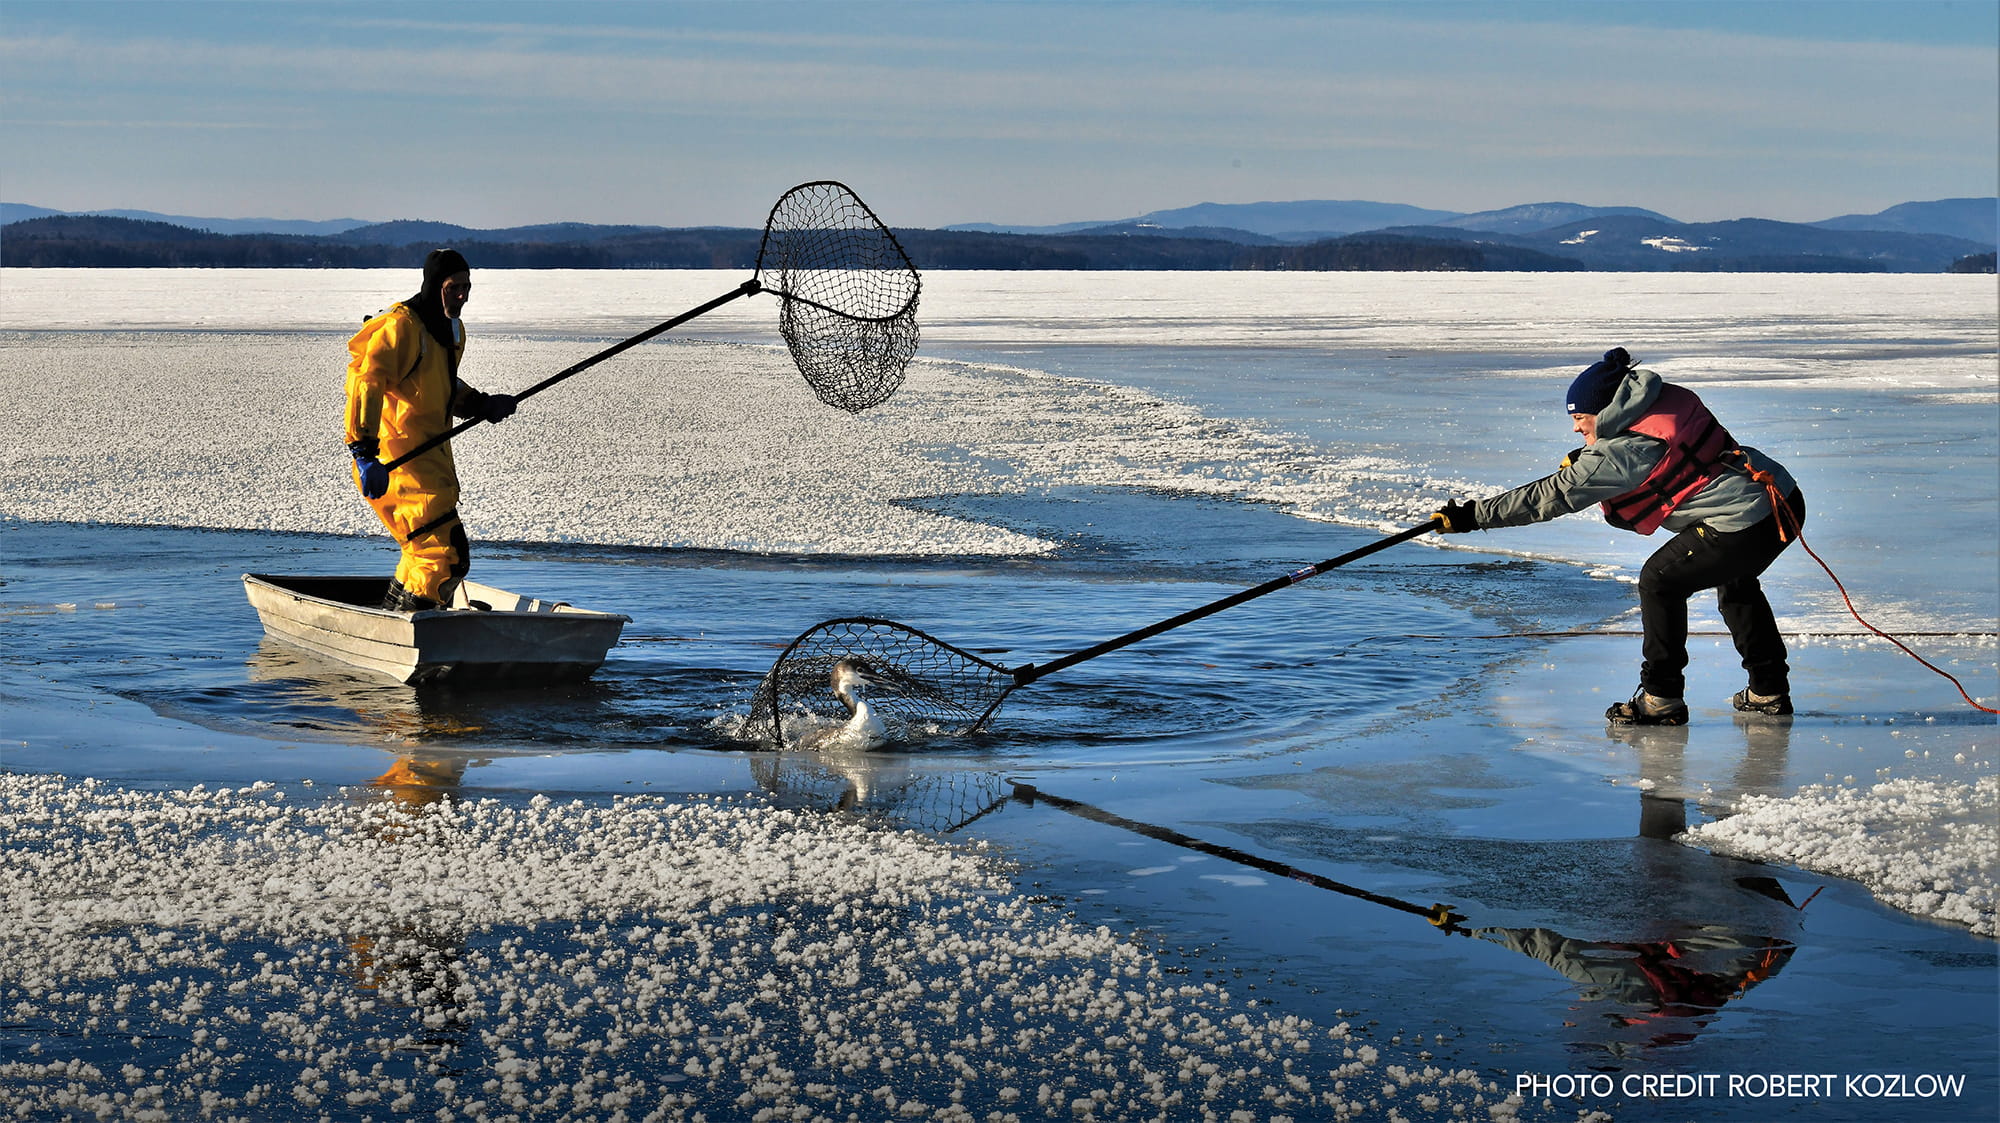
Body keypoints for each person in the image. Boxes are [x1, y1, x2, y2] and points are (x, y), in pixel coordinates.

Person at [1434, 348, 1804, 725]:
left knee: (1660, 580)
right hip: (1783, 500)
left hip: (1745, 524)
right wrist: (1587, 455)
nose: (1577, 428)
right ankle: (1768, 689)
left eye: (1580, 418)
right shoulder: (1654, 402)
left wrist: (1473, 515)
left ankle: (1661, 698)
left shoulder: (1622, 454)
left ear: (1606, 410)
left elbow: (1552, 496)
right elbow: (1638, 449)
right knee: (1735, 581)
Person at [343, 248, 516, 612]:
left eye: (467, 287)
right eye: (454, 287)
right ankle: (416, 630)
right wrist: (363, 452)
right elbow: (367, 383)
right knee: (446, 554)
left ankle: (395, 617)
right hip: (396, 465)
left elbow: (440, 387)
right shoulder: (402, 328)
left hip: (430, 461)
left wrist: (481, 404)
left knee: (420, 552)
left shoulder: (450, 330)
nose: (462, 296)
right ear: (435, 285)